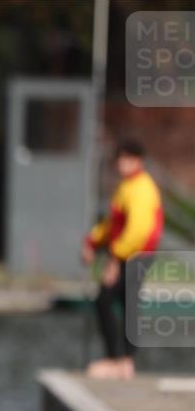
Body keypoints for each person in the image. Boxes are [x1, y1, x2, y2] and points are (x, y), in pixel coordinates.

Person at [80, 139, 163, 380]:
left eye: (128, 159)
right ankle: (121, 361)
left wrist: (115, 258)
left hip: (136, 256)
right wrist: (92, 242)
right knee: (122, 303)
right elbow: (112, 224)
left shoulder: (142, 189)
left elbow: (138, 231)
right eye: (120, 159)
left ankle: (121, 360)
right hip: (126, 255)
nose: (122, 164)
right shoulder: (126, 187)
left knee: (112, 300)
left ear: (139, 161)